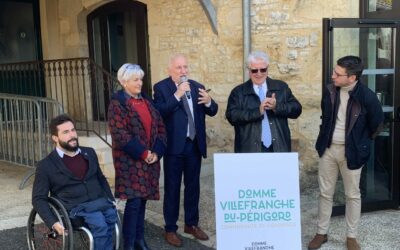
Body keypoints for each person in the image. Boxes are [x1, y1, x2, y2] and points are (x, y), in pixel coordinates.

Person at [308, 56, 384, 250]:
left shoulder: (367, 96)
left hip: (353, 152)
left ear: (352, 78)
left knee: (352, 195)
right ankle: (321, 233)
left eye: (337, 74)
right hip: (329, 149)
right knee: (325, 193)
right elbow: (326, 117)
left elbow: (377, 124)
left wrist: (362, 143)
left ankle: (351, 236)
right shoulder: (330, 91)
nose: (332, 76)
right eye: (334, 71)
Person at [153, 53, 218, 247]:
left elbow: (213, 110)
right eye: (179, 68)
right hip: (174, 146)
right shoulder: (161, 88)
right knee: (172, 188)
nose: (183, 71)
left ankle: (191, 223)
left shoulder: (196, 86)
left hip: (193, 145)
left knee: (193, 187)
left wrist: (208, 101)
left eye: (185, 67)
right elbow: (159, 112)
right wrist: (177, 95)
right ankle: (170, 228)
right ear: (170, 70)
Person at [32, 114, 117, 250]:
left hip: (98, 202)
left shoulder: (89, 153)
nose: (72, 135)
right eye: (65, 132)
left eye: (73, 130)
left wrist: (111, 199)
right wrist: (53, 222)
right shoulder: (46, 165)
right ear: (55, 138)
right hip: (73, 209)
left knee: (112, 218)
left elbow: (100, 178)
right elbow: (38, 199)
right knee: (100, 224)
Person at [108, 63, 167, 250]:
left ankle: (139, 240)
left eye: (141, 79)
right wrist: (143, 153)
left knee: (142, 201)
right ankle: (129, 244)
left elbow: (160, 129)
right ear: (124, 82)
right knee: (134, 202)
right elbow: (120, 134)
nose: (140, 83)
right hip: (130, 161)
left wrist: (156, 153)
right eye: (135, 80)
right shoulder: (118, 103)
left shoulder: (147, 102)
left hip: (150, 161)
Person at [226, 51, 302, 153]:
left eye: (263, 70)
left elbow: (297, 109)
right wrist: (258, 111)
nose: (259, 74)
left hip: (278, 147)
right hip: (250, 149)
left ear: (267, 69)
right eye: (254, 71)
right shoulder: (238, 92)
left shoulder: (281, 87)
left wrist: (277, 106)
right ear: (249, 70)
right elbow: (232, 116)